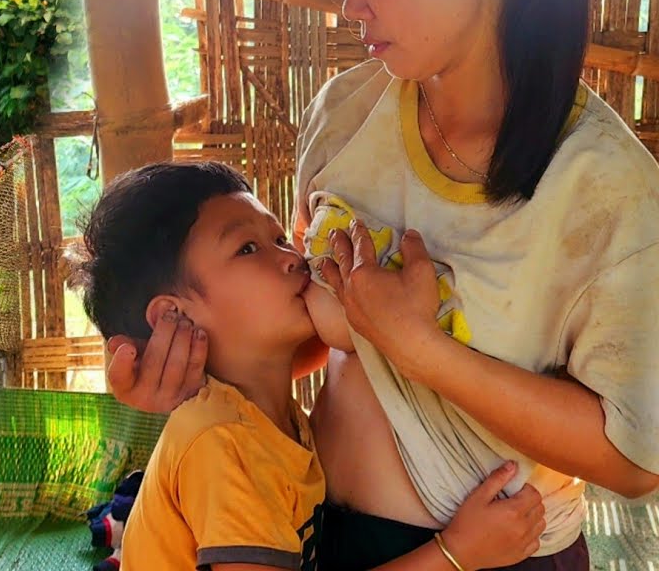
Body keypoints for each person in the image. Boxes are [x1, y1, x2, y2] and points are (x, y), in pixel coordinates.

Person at [103, 0, 659, 568]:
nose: (348, 6)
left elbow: (635, 457)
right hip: (314, 536)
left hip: (493, 550)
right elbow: (310, 330)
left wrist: (422, 349)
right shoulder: (345, 116)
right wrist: (182, 375)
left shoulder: (606, 191)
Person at [76, 161, 543, 571]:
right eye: (247, 249)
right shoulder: (222, 442)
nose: (291, 258)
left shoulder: (271, 419)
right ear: (174, 315)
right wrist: (456, 553)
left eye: (279, 237)